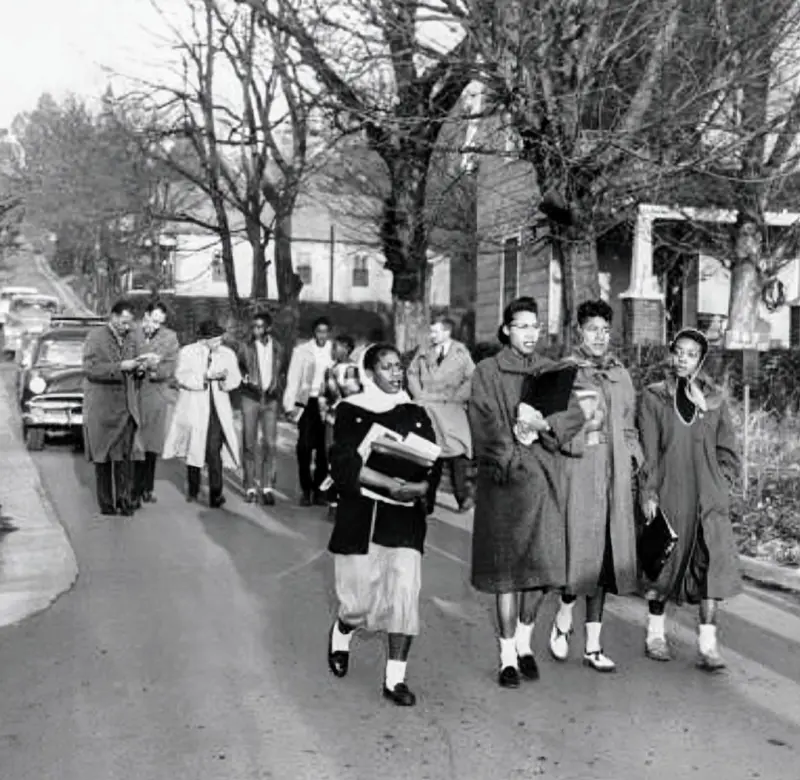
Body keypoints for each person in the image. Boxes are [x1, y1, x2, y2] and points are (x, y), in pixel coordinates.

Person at [469, 297, 590, 688]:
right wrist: (512, 446)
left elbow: (573, 414)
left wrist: (542, 426)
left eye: (535, 326)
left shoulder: (551, 370)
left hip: (543, 482)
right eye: (521, 326)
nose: (529, 333)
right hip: (503, 485)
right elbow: (483, 420)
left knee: (540, 571)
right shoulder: (487, 371)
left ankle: (524, 643)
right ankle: (506, 657)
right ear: (506, 329)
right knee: (506, 572)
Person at [326, 343, 435, 707]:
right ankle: (343, 630)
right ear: (370, 373)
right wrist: (387, 483)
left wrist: (421, 487)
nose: (395, 373)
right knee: (357, 603)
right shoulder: (350, 410)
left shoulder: (416, 413)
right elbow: (342, 464)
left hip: (403, 518)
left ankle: (395, 680)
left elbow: (430, 465)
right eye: (386, 367)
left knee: (405, 595)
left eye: (398, 366)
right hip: (362, 517)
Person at [547, 300, 643, 673]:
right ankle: (564, 615)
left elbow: (630, 424)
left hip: (615, 478)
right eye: (592, 330)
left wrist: (634, 460)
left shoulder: (621, 375)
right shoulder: (568, 372)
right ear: (578, 333)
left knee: (605, 560)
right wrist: (581, 437)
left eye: (605, 330)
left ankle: (593, 645)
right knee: (580, 554)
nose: (600, 337)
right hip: (581, 474)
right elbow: (556, 429)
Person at [638, 327, 741, 670]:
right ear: (671, 353)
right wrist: (648, 492)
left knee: (712, 564)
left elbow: (727, 450)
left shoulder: (714, 399)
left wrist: (722, 483)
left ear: (701, 359)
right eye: (678, 351)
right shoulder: (654, 397)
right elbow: (649, 451)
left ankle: (708, 646)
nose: (682, 358)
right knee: (664, 563)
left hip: (709, 497)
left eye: (691, 354)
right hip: (671, 490)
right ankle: (655, 634)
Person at [163, 320, 242, 507]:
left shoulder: (227, 354)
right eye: (214, 339)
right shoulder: (188, 352)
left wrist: (224, 379)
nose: (218, 342)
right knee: (194, 447)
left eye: (219, 338)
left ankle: (216, 493)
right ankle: (193, 487)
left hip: (217, 408)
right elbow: (181, 376)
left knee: (214, 450)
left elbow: (235, 378)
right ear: (204, 339)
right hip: (195, 406)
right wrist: (204, 377)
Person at [407, 315, 476, 514]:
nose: (432, 335)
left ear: (447, 332)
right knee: (430, 456)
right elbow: (412, 373)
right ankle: (427, 501)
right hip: (427, 409)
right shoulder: (424, 351)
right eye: (431, 331)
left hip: (451, 410)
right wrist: (418, 394)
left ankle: (463, 498)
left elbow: (472, 378)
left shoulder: (461, 353)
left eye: (436, 331)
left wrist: (457, 397)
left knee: (457, 456)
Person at [82, 299, 143, 516]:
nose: (127, 327)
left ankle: (124, 500)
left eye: (130, 324)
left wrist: (140, 368)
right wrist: (119, 367)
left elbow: (135, 365)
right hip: (103, 408)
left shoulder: (131, 339)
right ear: (113, 317)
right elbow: (91, 369)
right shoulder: (95, 337)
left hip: (126, 407)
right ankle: (106, 503)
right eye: (124, 322)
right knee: (104, 457)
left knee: (125, 457)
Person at [131, 300, 179, 506]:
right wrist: (137, 367)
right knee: (134, 444)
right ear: (146, 316)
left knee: (151, 445)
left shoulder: (170, 338)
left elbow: (170, 368)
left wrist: (153, 369)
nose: (155, 326)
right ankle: (132, 489)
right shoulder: (132, 333)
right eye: (153, 320)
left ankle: (146, 488)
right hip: (133, 393)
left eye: (160, 323)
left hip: (156, 395)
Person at [283, 317, 334, 506]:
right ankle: (306, 489)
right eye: (319, 331)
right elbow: (293, 378)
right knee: (304, 447)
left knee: (323, 449)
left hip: (326, 403)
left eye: (325, 331)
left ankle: (320, 491)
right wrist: (289, 406)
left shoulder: (332, 350)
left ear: (329, 333)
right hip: (306, 402)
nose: (322, 335)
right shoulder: (302, 351)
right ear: (314, 332)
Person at [238, 310, 285, 506]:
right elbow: (238, 368)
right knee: (249, 443)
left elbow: (282, 371)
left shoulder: (279, 348)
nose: (256, 330)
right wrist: (245, 378)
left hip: (270, 399)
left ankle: (266, 487)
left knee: (270, 444)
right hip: (250, 397)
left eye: (259, 327)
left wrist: (277, 388)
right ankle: (249, 486)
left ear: (268, 328)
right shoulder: (245, 347)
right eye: (254, 326)